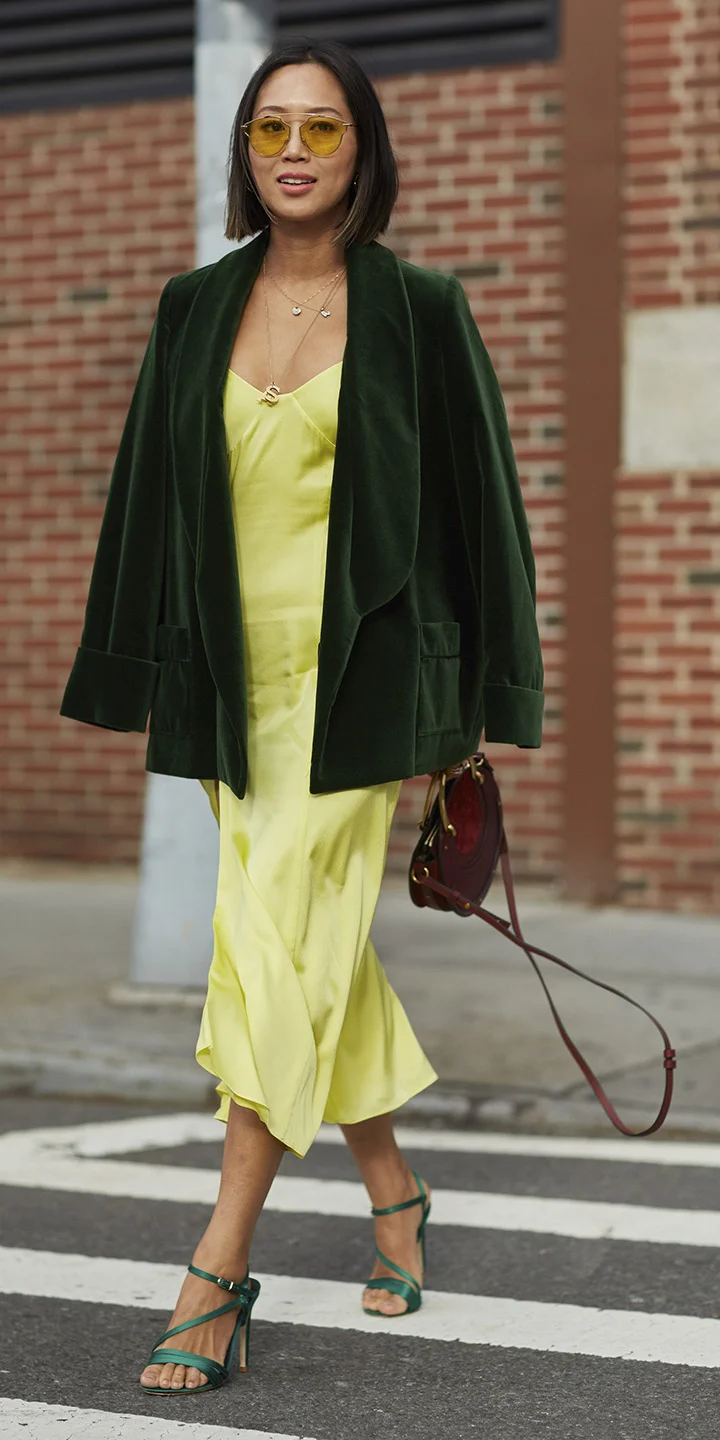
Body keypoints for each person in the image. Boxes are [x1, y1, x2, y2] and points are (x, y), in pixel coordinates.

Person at [59, 37, 543, 1395]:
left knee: (271, 948)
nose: (292, 151)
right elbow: (150, 507)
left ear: (361, 151)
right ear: (244, 149)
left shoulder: (423, 309)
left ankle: (217, 1265)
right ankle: (396, 1195)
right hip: (233, 692)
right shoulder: (191, 308)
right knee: (302, 951)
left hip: (362, 696)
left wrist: (482, 698)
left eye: (320, 130)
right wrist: (134, 667)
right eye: (271, 128)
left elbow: (481, 518)